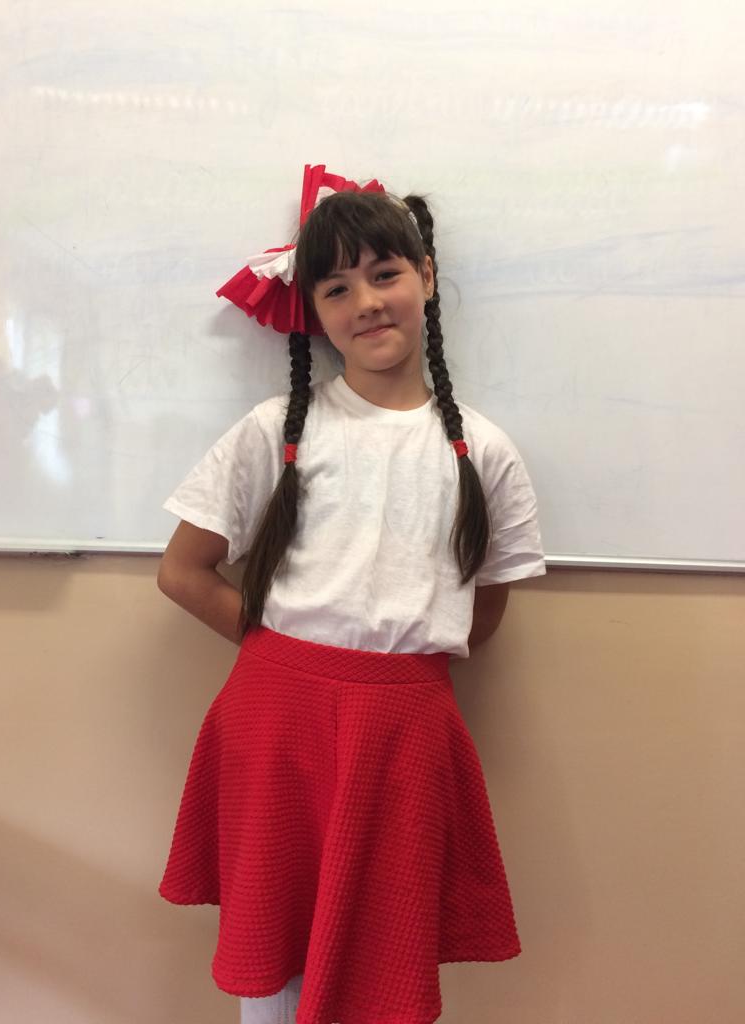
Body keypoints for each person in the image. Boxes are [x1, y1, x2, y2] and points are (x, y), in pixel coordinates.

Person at [156, 163, 546, 1024]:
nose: (366, 302)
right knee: (272, 964)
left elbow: (485, 611)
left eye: (385, 274)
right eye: (336, 288)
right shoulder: (274, 431)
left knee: (385, 959)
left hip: (408, 728)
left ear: (426, 277)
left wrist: (384, 674)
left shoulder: (485, 451)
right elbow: (182, 572)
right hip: (275, 721)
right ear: (313, 310)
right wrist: (285, 658)